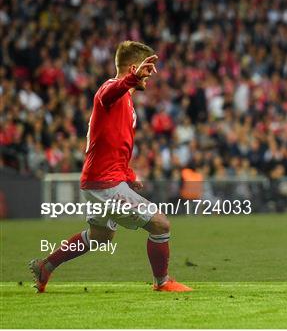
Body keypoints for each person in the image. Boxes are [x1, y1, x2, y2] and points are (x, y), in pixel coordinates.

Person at [29, 41, 192, 292]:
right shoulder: (111, 90)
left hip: (101, 179)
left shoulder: (125, 99)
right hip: (105, 183)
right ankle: (163, 282)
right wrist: (130, 79)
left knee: (100, 237)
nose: (148, 78)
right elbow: (107, 94)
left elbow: (115, 143)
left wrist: (128, 174)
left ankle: (46, 266)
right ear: (134, 68)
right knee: (161, 224)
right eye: (146, 71)